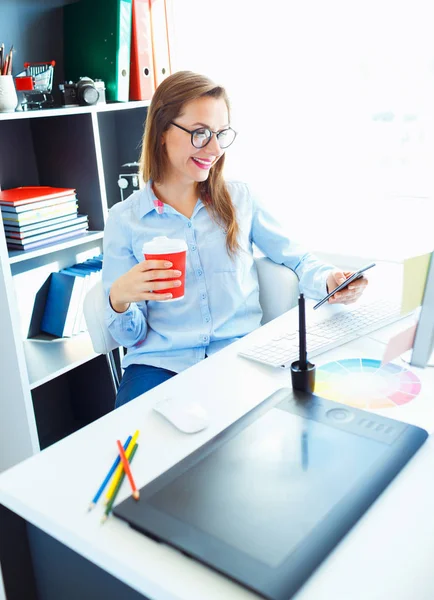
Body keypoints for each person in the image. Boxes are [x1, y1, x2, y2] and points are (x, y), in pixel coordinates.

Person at [102, 70, 368, 408]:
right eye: (200, 133)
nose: (214, 149)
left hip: (240, 356)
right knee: (135, 452)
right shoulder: (125, 221)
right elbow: (131, 336)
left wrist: (331, 280)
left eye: (220, 133)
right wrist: (119, 299)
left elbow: (297, 259)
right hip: (159, 366)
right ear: (162, 132)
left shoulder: (241, 200)